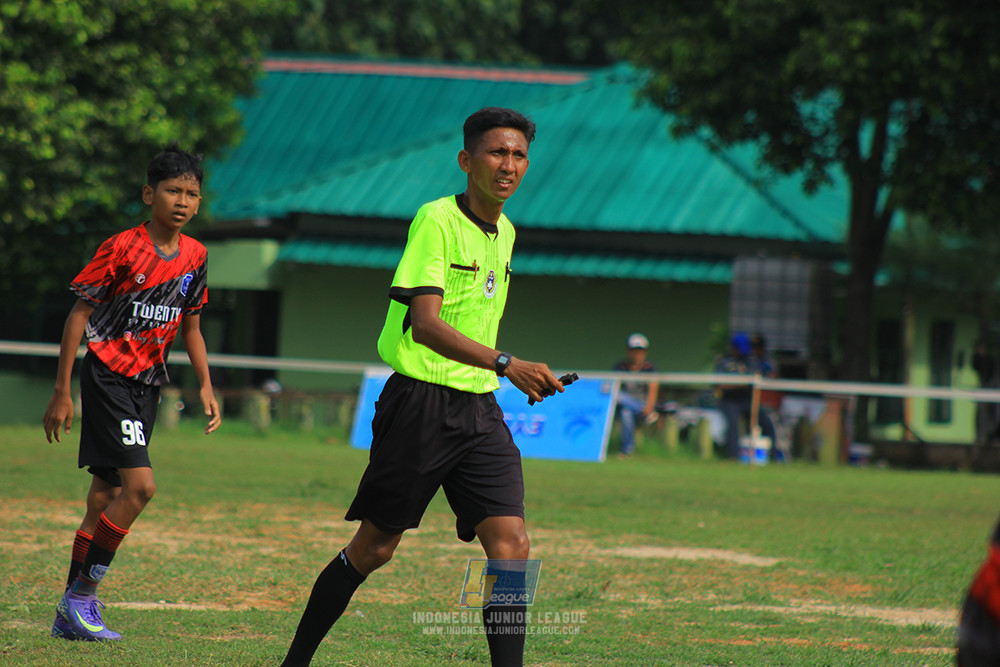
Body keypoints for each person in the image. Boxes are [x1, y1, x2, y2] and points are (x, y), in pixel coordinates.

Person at [278, 108, 564, 667]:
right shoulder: (435, 219)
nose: (509, 165)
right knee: (375, 548)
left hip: (480, 409)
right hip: (420, 405)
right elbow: (427, 325)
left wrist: (506, 373)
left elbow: (476, 324)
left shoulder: (506, 232)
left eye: (519, 155)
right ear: (466, 161)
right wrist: (508, 363)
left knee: (512, 546)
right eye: (496, 153)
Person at [42, 145, 221, 642]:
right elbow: (79, 314)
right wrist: (62, 391)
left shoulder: (196, 256)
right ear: (150, 194)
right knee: (140, 488)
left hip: (148, 383)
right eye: (172, 191)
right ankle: (81, 597)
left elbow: (191, 328)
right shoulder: (121, 248)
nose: (182, 201)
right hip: (108, 376)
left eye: (192, 194)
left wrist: (206, 384)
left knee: (105, 496)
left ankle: (68, 615)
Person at [714, 332, 776, 460]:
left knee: (767, 423)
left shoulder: (751, 361)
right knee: (733, 425)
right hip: (730, 400)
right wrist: (740, 384)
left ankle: (773, 456)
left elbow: (763, 374)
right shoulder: (724, 363)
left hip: (747, 400)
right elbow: (718, 384)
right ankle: (733, 457)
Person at [612, 333, 658, 457]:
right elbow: (612, 387)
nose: (637, 354)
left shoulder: (649, 368)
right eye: (634, 351)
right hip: (623, 406)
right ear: (628, 351)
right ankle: (627, 450)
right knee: (624, 408)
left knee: (623, 404)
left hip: (644, 406)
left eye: (640, 351)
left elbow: (653, 388)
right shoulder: (620, 367)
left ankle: (626, 450)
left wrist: (649, 407)